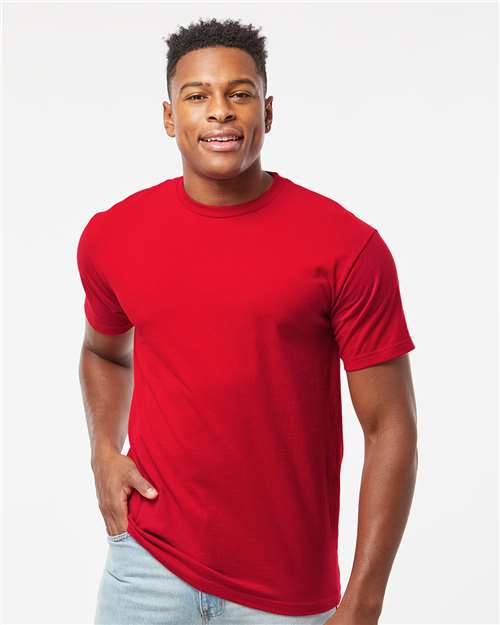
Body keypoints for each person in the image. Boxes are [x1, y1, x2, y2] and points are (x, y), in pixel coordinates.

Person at [77, 17, 418, 625]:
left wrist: (364, 602)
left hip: (284, 591)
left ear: (268, 110)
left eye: (239, 93)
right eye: (197, 95)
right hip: (146, 567)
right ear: (169, 117)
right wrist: (104, 448)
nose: (219, 110)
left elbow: (390, 427)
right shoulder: (114, 235)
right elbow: (104, 352)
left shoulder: (347, 247)